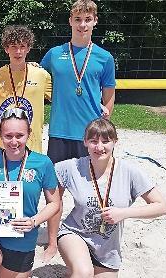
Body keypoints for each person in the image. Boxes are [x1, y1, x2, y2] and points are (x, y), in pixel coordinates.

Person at [40, 0, 117, 261]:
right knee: (55, 194)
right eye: (78, 19)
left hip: (90, 136)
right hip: (60, 133)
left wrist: (105, 119)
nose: (82, 24)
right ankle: (51, 243)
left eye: (88, 19)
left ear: (95, 21)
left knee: (94, 191)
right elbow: (35, 77)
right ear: (70, 21)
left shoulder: (104, 57)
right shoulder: (54, 54)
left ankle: (93, 240)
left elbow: (109, 97)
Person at [54, 118, 166, 277]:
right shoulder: (71, 167)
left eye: (105, 141)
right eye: (93, 141)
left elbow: (161, 206)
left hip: (108, 249)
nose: (99, 147)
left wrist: (124, 213)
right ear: (85, 142)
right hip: (75, 234)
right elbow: (44, 175)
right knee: (83, 272)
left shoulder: (130, 172)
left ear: (115, 141)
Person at [0, 107, 61, 278]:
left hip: (23, 238)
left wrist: (34, 221)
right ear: (0, 134)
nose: (14, 142)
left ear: (29, 133)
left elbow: (54, 203)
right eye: (8, 136)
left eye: (19, 136)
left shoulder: (43, 163)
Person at [0, 25, 51, 153]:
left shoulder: (41, 76)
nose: (18, 52)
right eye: (14, 47)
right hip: (0, 148)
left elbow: (63, 99)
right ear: (6, 49)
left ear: (28, 48)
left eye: (22, 47)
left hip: (31, 148)